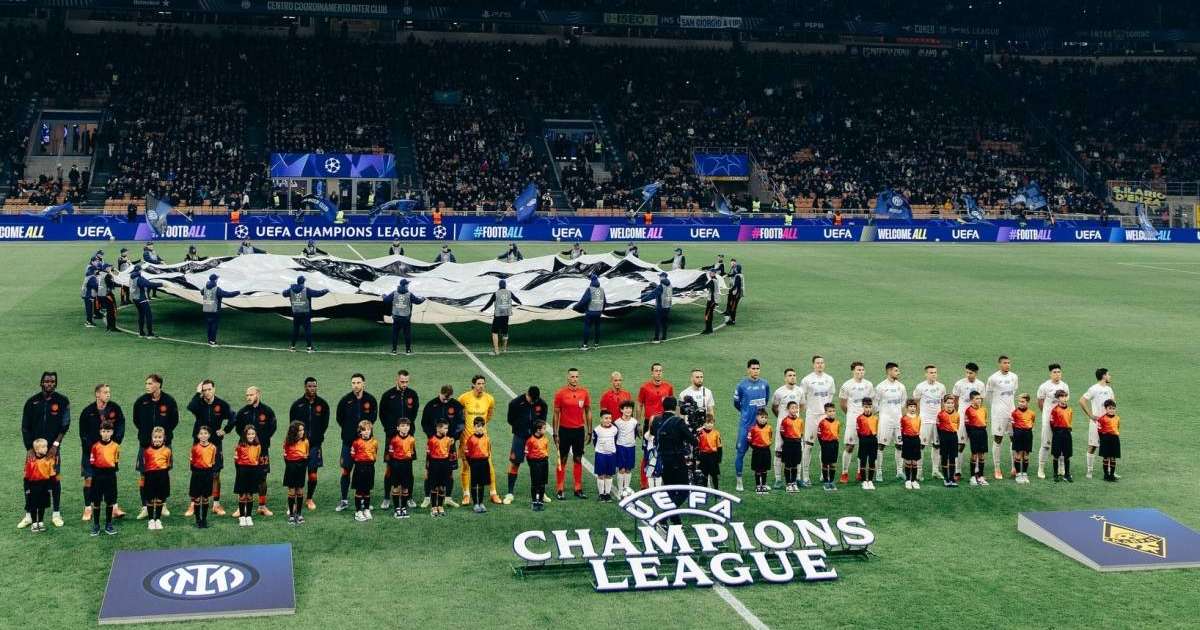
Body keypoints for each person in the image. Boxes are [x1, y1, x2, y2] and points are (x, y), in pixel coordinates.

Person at [19, 372, 70, 529]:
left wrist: (55, 445)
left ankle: (56, 514)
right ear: (41, 383)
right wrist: (29, 448)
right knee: (30, 481)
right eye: (47, 381)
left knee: (54, 481)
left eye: (53, 381)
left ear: (56, 383)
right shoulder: (31, 402)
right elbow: (25, 427)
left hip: (52, 451)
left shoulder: (62, 401)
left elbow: (65, 425)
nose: (50, 384)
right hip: (34, 451)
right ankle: (29, 515)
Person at [133, 374, 178, 519]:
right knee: (144, 474)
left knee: (163, 474)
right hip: (146, 444)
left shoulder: (169, 401)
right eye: (146, 383)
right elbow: (136, 420)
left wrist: (162, 437)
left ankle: (162, 504)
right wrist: (147, 434)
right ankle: (145, 506)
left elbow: (174, 421)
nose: (147, 386)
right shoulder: (141, 401)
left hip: (164, 446)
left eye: (150, 383)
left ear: (158, 384)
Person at [79, 383, 126, 522]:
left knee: (110, 479)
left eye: (109, 392)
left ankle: (114, 508)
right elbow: (83, 433)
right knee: (89, 479)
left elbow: (121, 425)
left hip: (109, 451)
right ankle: (88, 508)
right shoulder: (87, 411)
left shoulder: (115, 408)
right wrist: (92, 448)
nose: (108, 394)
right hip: (91, 451)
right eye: (105, 392)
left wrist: (115, 442)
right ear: (97, 394)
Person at [185, 379, 233, 517]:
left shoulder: (221, 404)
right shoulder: (198, 403)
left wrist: (225, 430)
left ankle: (216, 504)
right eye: (204, 390)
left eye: (209, 389)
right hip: (199, 443)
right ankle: (193, 504)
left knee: (216, 474)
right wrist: (197, 393)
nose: (207, 392)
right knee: (196, 473)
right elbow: (190, 407)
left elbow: (233, 417)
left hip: (215, 444)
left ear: (214, 389)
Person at [228, 386, 277, 517]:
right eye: (247, 395)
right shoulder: (242, 412)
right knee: (242, 477)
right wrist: (247, 441)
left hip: (262, 450)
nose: (248, 397)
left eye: (251, 395)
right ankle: (241, 507)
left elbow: (272, 427)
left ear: (258, 394)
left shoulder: (267, 411)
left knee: (262, 478)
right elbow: (238, 428)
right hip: (244, 450)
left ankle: (262, 506)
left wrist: (261, 441)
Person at [650, 397, 696, 524]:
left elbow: (653, 433)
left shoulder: (656, 420)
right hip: (677, 461)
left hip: (663, 460)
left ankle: (676, 522)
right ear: (675, 407)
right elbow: (693, 440)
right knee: (684, 491)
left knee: (670, 491)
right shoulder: (678, 421)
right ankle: (664, 516)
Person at [336, 374, 377, 511]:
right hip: (348, 443)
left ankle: (364, 500)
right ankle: (344, 500)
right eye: (353, 382)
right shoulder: (345, 400)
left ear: (363, 383)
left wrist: (363, 433)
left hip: (365, 444)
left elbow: (373, 419)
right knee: (345, 471)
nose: (356, 385)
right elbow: (340, 419)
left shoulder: (370, 400)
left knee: (364, 472)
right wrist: (349, 430)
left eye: (358, 382)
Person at [379, 370, 419, 509]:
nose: (404, 384)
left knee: (409, 468)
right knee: (389, 468)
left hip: (408, 438)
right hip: (391, 437)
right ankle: (386, 497)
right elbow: (382, 415)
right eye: (402, 381)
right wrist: (390, 430)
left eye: (407, 381)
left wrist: (407, 430)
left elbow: (414, 414)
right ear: (397, 380)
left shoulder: (412, 394)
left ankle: (409, 497)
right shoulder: (388, 395)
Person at [458, 376, 500, 505]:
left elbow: (489, 416)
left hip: (482, 440)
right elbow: (457, 414)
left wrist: (480, 429)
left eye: (483, 383)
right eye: (478, 383)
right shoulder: (463, 398)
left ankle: (493, 493)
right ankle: (466, 495)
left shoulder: (489, 399)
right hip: (466, 439)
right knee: (466, 466)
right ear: (473, 385)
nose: (481, 386)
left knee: (489, 465)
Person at [288, 377, 329, 510]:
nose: (312, 388)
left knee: (312, 475)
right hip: (298, 446)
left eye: (314, 386)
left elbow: (325, 424)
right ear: (305, 387)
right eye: (309, 386)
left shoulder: (323, 404)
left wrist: (317, 437)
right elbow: (292, 425)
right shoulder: (297, 405)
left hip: (315, 445)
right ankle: (294, 501)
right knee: (297, 475)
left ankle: (309, 498)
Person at [419, 385, 464, 508]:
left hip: (449, 444)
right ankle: (427, 498)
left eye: (448, 398)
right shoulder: (431, 405)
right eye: (444, 398)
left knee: (449, 472)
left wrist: (454, 437)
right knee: (429, 471)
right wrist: (432, 436)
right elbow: (424, 423)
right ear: (440, 393)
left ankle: (448, 498)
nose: (446, 400)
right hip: (434, 444)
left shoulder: (456, 405)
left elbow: (461, 423)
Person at [732, 358, 770, 492]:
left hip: (760, 427)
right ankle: (739, 480)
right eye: (753, 368)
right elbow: (736, 403)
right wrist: (745, 412)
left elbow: (766, 400)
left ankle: (761, 482)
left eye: (757, 368)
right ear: (748, 370)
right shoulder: (741, 386)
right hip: (746, 426)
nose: (755, 371)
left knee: (762, 454)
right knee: (741, 452)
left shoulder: (765, 384)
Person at [553, 368, 592, 499]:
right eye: (572, 377)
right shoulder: (560, 393)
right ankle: (560, 488)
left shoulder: (584, 393)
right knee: (562, 459)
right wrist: (555, 433)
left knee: (578, 459)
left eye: (576, 377)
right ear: (568, 378)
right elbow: (556, 413)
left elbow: (588, 411)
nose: (575, 379)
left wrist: (589, 430)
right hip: (564, 430)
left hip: (579, 431)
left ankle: (578, 488)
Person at [504, 386, 546, 504]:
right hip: (520, 437)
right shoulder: (515, 403)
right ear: (527, 394)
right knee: (515, 463)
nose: (533, 402)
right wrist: (520, 428)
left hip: (534, 439)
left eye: (535, 400)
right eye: (531, 400)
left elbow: (542, 421)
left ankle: (541, 492)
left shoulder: (542, 404)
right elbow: (510, 420)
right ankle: (510, 492)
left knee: (537, 465)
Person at [799, 356, 835, 488]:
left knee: (825, 446)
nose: (820, 365)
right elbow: (802, 398)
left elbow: (831, 395)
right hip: (812, 416)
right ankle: (806, 476)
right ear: (813, 365)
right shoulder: (807, 380)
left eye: (822, 363)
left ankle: (823, 473)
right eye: (817, 363)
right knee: (808, 445)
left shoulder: (829, 379)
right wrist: (810, 409)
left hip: (825, 417)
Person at [838, 362, 875, 483]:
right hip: (852, 420)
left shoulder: (868, 385)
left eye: (862, 370)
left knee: (863, 446)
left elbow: (871, 402)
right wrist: (851, 414)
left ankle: (860, 471)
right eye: (858, 370)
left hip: (866, 420)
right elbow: (842, 404)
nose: (861, 372)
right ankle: (844, 473)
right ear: (853, 371)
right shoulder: (847, 385)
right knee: (849, 446)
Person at [986, 356, 1019, 480]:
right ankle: (997, 468)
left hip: (1012, 412)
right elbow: (988, 395)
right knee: (998, 439)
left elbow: (1013, 392)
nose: (1007, 365)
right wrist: (996, 407)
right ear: (999, 364)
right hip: (998, 414)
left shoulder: (1014, 377)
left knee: (1014, 439)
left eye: (1009, 363)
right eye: (1005, 363)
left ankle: (1014, 467)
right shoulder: (993, 378)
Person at [769, 368, 803, 489]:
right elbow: (774, 407)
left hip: (796, 427)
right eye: (789, 375)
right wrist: (781, 418)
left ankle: (797, 478)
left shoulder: (800, 391)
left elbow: (802, 405)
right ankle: (778, 479)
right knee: (779, 451)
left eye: (794, 375)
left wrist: (795, 419)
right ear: (785, 378)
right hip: (782, 426)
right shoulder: (779, 392)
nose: (792, 377)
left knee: (798, 452)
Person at [951, 363, 986, 479]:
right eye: (966, 372)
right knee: (960, 445)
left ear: (976, 373)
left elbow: (981, 402)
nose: (968, 375)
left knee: (976, 447)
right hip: (962, 419)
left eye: (970, 373)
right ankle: (957, 471)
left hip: (975, 421)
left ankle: (977, 471)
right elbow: (955, 401)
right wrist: (959, 414)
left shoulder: (980, 385)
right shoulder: (959, 384)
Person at [874, 363, 908, 483]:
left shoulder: (901, 386)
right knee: (881, 445)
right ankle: (879, 472)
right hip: (885, 420)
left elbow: (903, 402)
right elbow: (875, 403)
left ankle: (899, 471)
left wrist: (900, 415)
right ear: (889, 371)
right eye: (896, 370)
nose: (898, 372)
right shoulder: (881, 387)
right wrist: (882, 414)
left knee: (900, 445)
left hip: (898, 420)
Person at [1079, 368, 1115, 480]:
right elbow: (1082, 401)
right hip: (1096, 422)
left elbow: (1113, 403)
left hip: (1108, 423)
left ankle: (1110, 472)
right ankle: (1089, 471)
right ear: (1103, 376)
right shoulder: (1094, 389)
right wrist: (1090, 415)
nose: (1110, 376)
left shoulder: (1109, 389)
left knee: (1109, 447)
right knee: (1093, 446)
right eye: (1108, 374)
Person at [912, 365, 946, 480]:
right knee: (921, 445)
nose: (934, 374)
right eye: (931, 372)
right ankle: (919, 471)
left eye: (935, 372)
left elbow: (942, 403)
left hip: (937, 421)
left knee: (937, 445)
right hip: (925, 420)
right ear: (926, 374)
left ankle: (935, 470)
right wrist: (916, 418)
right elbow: (915, 403)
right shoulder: (920, 387)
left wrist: (943, 417)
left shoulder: (941, 387)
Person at [1036, 364, 1070, 479]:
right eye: (1054, 372)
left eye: (1059, 372)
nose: (1057, 374)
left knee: (1062, 444)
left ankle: (1061, 467)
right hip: (1048, 420)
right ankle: (1041, 468)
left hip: (1061, 421)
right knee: (1045, 444)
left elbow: (1065, 402)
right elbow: (1040, 401)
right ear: (1050, 374)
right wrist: (1046, 414)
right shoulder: (1044, 386)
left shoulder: (1065, 386)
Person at [87, 421, 120, 536]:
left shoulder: (116, 446)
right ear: (100, 432)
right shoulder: (95, 446)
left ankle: (108, 524)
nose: (106, 433)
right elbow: (92, 462)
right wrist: (98, 471)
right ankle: (96, 525)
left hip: (110, 476)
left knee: (110, 500)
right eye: (104, 431)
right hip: (97, 476)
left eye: (108, 431)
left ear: (112, 432)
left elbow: (116, 462)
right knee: (96, 501)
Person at [283, 275, 328, 353]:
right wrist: (325, 290)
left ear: (297, 282)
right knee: (307, 330)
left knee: (295, 330)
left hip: (296, 313)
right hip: (305, 313)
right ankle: (309, 348)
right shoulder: (306, 290)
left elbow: (283, 294)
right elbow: (318, 294)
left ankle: (292, 347)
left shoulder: (291, 290)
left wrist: (290, 289)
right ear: (303, 282)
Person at [142, 426, 172, 531]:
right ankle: (151, 520)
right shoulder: (147, 451)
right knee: (150, 499)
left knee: (160, 499)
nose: (157, 439)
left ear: (164, 438)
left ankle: (158, 519)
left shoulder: (167, 451)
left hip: (162, 476)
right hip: (150, 477)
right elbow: (144, 465)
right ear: (152, 438)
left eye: (160, 437)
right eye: (155, 437)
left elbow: (168, 464)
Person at [385, 418, 416, 518]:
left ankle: (403, 508)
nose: (405, 428)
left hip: (407, 465)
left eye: (407, 426)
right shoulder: (393, 440)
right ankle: (396, 509)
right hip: (396, 465)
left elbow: (412, 453)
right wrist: (391, 467)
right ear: (398, 428)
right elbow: (390, 454)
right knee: (396, 487)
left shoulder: (412, 439)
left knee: (405, 488)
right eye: (402, 426)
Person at [383, 279, 424, 355]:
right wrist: (423, 298)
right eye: (407, 284)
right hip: (406, 318)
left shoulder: (394, 293)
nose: (408, 285)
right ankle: (408, 351)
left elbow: (386, 300)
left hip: (396, 317)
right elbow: (418, 302)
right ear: (405, 285)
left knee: (395, 334)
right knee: (407, 334)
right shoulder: (409, 294)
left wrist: (384, 295)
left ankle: (394, 351)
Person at [233, 425, 263, 527]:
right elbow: (236, 460)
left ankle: (248, 516)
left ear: (255, 435)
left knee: (250, 495)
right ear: (245, 435)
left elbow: (257, 459)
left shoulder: (258, 446)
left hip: (253, 472)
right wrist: (240, 471)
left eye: (253, 434)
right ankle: (242, 517)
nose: (251, 436)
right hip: (242, 472)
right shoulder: (239, 446)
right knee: (242, 496)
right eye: (249, 434)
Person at [481, 279, 520, 355]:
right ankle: (504, 349)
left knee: (494, 332)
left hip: (498, 315)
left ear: (499, 285)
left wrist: (482, 309)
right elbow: (516, 299)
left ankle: (496, 351)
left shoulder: (496, 293)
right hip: (506, 315)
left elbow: (489, 303)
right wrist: (520, 303)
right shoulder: (509, 292)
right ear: (505, 285)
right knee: (505, 332)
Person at [350, 420, 379, 522]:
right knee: (359, 490)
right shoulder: (356, 442)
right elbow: (353, 455)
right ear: (360, 431)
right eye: (364, 430)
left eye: (368, 429)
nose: (366, 432)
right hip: (359, 468)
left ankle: (366, 509)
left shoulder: (375, 442)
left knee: (367, 490)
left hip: (370, 467)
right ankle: (358, 512)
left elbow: (375, 453)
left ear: (371, 430)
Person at [24, 439, 55, 534]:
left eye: (46, 446)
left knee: (42, 505)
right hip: (33, 486)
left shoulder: (49, 460)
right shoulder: (31, 461)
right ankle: (34, 523)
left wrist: (50, 487)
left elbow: (51, 475)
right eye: (44, 447)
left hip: (44, 486)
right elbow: (26, 477)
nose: (46, 448)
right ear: (37, 449)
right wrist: (27, 488)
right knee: (33, 505)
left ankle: (40, 522)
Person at [282, 421, 309, 525]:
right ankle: (292, 515)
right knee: (292, 491)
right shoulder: (287, 442)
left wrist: (302, 464)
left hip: (301, 467)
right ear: (294, 431)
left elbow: (306, 455)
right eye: (299, 430)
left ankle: (299, 513)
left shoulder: (305, 441)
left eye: (303, 430)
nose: (302, 432)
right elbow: (285, 456)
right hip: (291, 467)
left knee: (300, 490)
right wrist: (291, 465)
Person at [189, 426, 217, 528]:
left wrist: (209, 472)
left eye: (205, 433)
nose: (203, 435)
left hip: (208, 474)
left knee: (205, 498)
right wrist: (196, 471)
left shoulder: (213, 448)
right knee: (196, 498)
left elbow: (213, 462)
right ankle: (198, 520)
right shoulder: (194, 448)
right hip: (197, 474)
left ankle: (204, 519)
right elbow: (192, 463)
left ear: (209, 435)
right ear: (198, 436)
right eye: (201, 433)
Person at [200, 274, 240, 346]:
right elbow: (228, 294)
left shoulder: (205, 288)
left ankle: (209, 340)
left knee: (209, 325)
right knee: (214, 325)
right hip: (215, 309)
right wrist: (238, 292)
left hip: (206, 309)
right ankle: (212, 341)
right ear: (215, 280)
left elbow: (201, 292)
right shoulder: (217, 289)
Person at [464, 418, 493, 513]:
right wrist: (471, 463)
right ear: (474, 427)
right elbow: (467, 453)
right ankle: (475, 504)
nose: (480, 428)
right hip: (474, 463)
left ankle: (481, 502)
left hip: (484, 462)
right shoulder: (471, 439)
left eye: (482, 426)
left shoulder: (487, 438)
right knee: (474, 483)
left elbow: (489, 451)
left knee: (481, 483)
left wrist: (486, 458)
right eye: (478, 426)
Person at [426, 420, 454, 517]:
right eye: (445, 428)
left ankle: (440, 506)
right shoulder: (431, 440)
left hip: (445, 464)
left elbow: (450, 454)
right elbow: (428, 456)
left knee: (442, 487)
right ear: (438, 428)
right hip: (434, 464)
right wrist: (427, 469)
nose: (447, 430)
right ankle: (434, 507)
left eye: (447, 428)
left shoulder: (448, 440)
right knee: (434, 486)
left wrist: (450, 468)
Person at [613, 401, 639, 496]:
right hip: (621, 447)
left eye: (630, 408)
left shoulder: (634, 422)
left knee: (628, 469)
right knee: (622, 469)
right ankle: (620, 490)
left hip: (631, 447)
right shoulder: (617, 422)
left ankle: (626, 488)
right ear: (621, 410)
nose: (628, 410)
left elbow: (635, 433)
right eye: (626, 408)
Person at [129, 266, 163, 338]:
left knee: (141, 315)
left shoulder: (132, 277)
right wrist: (162, 284)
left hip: (135, 299)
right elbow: (148, 284)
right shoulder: (139, 279)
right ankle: (150, 334)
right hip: (141, 298)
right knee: (148, 315)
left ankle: (141, 333)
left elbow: (146, 282)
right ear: (140, 271)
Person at [592, 411, 618, 502]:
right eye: (606, 418)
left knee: (609, 475)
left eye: (610, 418)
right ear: (601, 419)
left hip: (611, 455)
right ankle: (601, 494)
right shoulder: (597, 430)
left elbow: (615, 440)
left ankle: (607, 494)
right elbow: (594, 442)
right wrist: (600, 450)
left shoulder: (614, 429)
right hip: (600, 455)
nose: (608, 420)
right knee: (601, 475)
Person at [964, 391, 989, 486]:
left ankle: (981, 476)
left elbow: (985, 421)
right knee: (974, 455)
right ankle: (972, 477)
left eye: (980, 398)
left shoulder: (984, 409)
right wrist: (971, 435)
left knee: (982, 455)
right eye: (976, 399)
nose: (979, 400)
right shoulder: (968, 410)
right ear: (971, 400)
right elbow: (966, 424)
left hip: (983, 432)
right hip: (974, 432)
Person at [574, 274, 605, 350]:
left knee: (587, 327)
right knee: (597, 327)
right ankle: (596, 345)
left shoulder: (590, 289)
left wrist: (576, 307)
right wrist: (602, 310)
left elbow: (584, 301)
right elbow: (604, 302)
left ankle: (585, 345)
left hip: (590, 312)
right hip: (599, 312)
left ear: (591, 281)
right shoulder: (602, 290)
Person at [935, 395, 961, 488]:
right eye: (948, 403)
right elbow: (938, 427)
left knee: (952, 457)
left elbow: (957, 426)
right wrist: (942, 437)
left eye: (952, 403)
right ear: (944, 404)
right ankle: (946, 478)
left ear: (954, 404)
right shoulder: (940, 414)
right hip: (944, 437)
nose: (950, 405)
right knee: (945, 457)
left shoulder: (957, 414)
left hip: (953, 437)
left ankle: (952, 478)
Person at [525, 421, 551, 511]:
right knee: (535, 484)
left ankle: (540, 501)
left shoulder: (545, 439)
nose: (545, 430)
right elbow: (527, 453)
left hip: (544, 462)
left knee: (542, 484)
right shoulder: (530, 440)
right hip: (535, 463)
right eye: (544, 428)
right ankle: (534, 502)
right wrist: (531, 464)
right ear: (538, 430)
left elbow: (546, 451)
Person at [1049, 390, 1074, 482]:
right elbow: (1051, 423)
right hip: (1058, 433)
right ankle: (1055, 474)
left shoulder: (1070, 409)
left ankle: (1067, 474)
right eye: (1062, 396)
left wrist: (1068, 429)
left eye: (1065, 396)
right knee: (1056, 454)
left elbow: (1069, 421)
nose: (1064, 398)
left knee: (1067, 454)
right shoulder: (1055, 410)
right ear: (1058, 398)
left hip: (1067, 433)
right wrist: (1056, 432)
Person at [1010, 394, 1036, 484]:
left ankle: (1024, 474)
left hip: (1028, 434)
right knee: (1018, 454)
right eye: (1019, 401)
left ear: (1027, 402)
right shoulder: (1014, 413)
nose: (1020, 403)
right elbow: (1013, 425)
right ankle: (1018, 474)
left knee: (1026, 455)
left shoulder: (1032, 413)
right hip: (1018, 434)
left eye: (1023, 402)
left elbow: (1032, 422)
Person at [779, 401, 804, 492]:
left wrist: (797, 439)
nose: (794, 410)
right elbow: (782, 433)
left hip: (797, 444)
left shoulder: (800, 420)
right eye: (792, 408)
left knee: (795, 464)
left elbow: (801, 432)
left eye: (796, 408)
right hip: (788, 444)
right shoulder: (785, 421)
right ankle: (788, 483)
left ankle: (794, 482)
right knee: (788, 464)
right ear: (788, 409)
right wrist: (788, 440)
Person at [855, 398, 880, 491]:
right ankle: (864, 481)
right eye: (866, 407)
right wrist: (863, 439)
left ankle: (870, 480)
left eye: (869, 407)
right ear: (863, 407)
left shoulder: (875, 418)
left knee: (872, 460)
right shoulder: (859, 418)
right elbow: (858, 431)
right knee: (863, 460)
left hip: (873, 440)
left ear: (872, 407)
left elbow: (876, 430)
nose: (868, 409)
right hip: (863, 440)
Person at [748, 409, 773, 494]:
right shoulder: (753, 428)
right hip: (757, 451)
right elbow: (749, 440)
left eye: (765, 417)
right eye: (762, 417)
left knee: (765, 469)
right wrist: (755, 447)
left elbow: (770, 437)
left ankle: (764, 485)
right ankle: (758, 485)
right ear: (757, 417)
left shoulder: (769, 428)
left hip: (766, 451)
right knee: (758, 469)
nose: (764, 419)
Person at [817, 403, 841, 492]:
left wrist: (835, 442)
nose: (832, 413)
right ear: (826, 412)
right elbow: (819, 435)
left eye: (833, 411)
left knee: (833, 464)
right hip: (825, 445)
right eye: (829, 411)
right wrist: (823, 445)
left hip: (834, 445)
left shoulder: (837, 422)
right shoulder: (822, 423)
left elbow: (837, 433)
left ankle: (831, 481)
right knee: (825, 463)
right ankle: (826, 482)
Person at [641, 273, 672, 343]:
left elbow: (652, 295)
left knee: (658, 322)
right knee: (665, 322)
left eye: (660, 276)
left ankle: (656, 339)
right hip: (668, 306)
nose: (659, 277)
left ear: (663, 277)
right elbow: (663, 291)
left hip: (660, 306)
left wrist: (641, 300)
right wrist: (656, 286)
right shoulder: (670, 284)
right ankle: (664, 338)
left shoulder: (661, 286)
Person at [901, 400, 923, 490]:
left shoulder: (918, 418)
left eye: (914, 406)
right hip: (907, 440)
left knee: (914, 461)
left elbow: (919, 428)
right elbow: (902, 430)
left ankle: (914, 480)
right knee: (908, 461)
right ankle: (908, 480)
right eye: (910, 406)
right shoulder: (904, 418)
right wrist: (904, 440)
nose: (912, 408)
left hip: (916, 440)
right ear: (907, 408)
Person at [696, 416, 723, 489]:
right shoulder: (700, 433)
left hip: (713, 456)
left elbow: (719, 446)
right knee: (704, 475)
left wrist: (719, 458)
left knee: (714, 475)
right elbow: (697, 446)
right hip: (704, 456)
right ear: (704, 424)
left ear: (713, 423)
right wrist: (698, 458)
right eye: (707, 423)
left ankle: (716, 490)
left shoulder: (716, 433)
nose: (709, 425)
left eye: (711, 423)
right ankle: (705, 491)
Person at [1097, 400, 1121, 482]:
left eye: (1113, 408)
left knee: (1113, 458)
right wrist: (1101, 440)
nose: (1112, 410)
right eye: (1110, 408)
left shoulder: (1117, 418)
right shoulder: (1102, 419)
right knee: (1106, 457)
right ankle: (1106, 475)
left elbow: (1117, 427)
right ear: (1106, 409)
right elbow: (1099, 431)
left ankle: (1112, 475)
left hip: (1115, 439)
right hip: (1105, 439)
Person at [701, 269, 718, 335]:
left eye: (711, 273)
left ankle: (708, 330)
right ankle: (709, 329)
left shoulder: (712, 281)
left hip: (711, 300)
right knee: (710, 315)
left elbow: (705, 286)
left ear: (714, 273)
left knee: (707, 315)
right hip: (713, 300)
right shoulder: (715, 280)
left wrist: (694, 289)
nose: (710, 273)